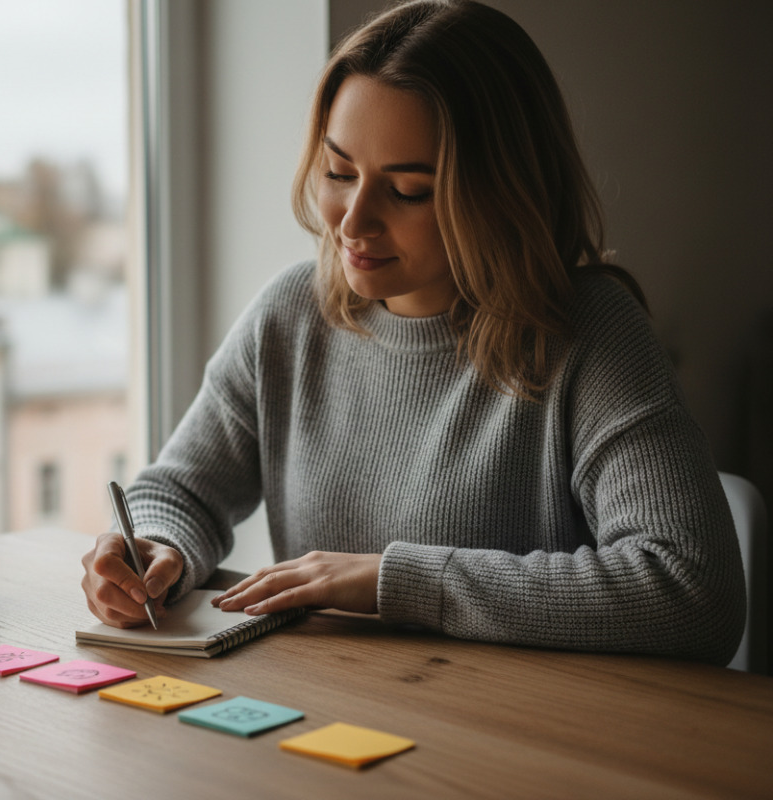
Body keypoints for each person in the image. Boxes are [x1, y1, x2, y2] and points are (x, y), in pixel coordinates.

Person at [80, 0, 746, 665]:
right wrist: (156, 547)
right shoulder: (290, 315)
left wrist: (394, 583)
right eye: (340, 173)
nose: (353, 221)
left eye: (406, 191)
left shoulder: (591, 335)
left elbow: (691, 592)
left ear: (499, 191)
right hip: (338, 717)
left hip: (521, 739)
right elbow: (180, 492)